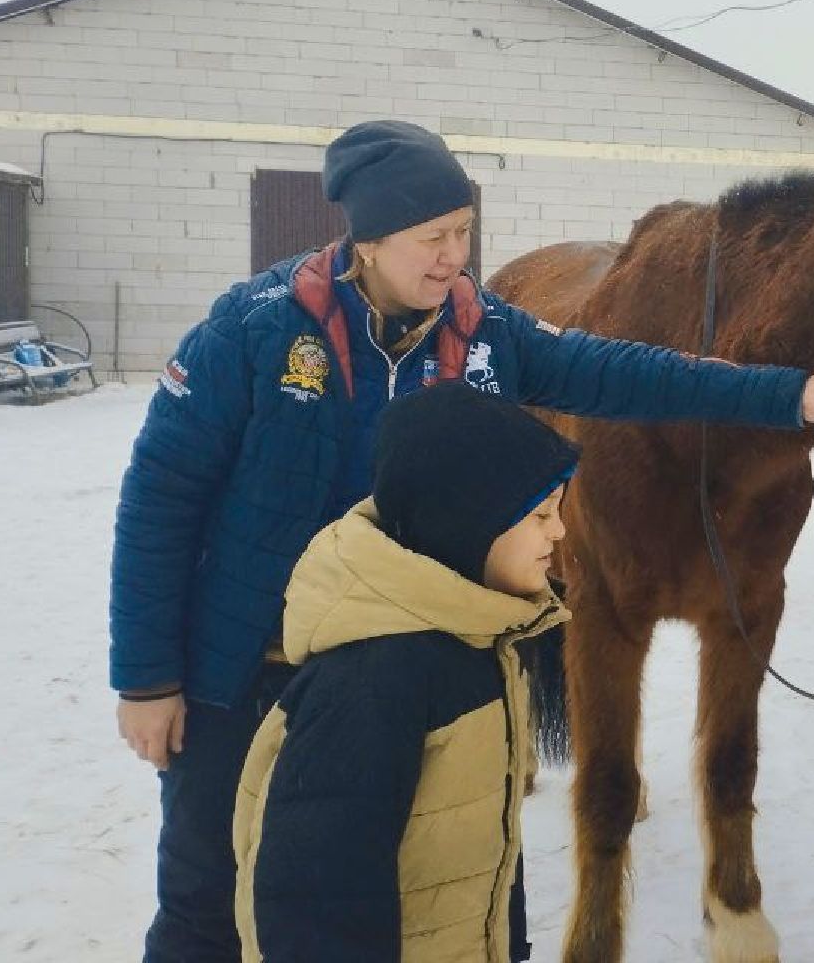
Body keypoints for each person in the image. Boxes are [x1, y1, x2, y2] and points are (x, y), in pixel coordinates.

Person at [111, 119, 814, 960]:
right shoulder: (253, 330)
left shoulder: (483, 332)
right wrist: (148, 678)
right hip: (252, 672)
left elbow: (623, 371)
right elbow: (161, 496)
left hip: (413, 665)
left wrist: (786, 397)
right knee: (211, 905)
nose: (454, 256)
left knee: (437, 902)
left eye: (464, 232)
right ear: (368, 239)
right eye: (431, 237)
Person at [234, 382, 574, 961]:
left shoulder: (482, 638)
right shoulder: (372, 682)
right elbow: (313, 905)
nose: (559, 532)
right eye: (541, 514)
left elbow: (483, 846)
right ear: (468, 525)